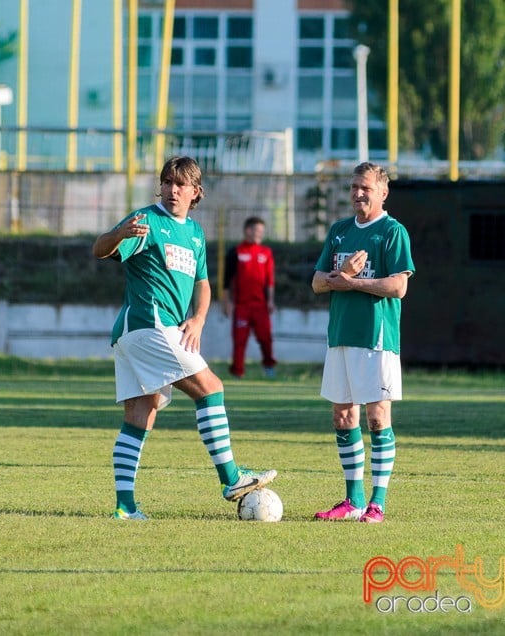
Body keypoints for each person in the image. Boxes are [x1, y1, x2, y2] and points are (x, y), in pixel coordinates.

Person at [91, 156, 276, 520]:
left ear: (196, 192)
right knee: (211, 388)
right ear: (159, 186)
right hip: (149, 324)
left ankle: (125, 507)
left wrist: (199, 319)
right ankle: (231, 478)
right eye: (167, 182)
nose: (172, 190)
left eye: (180, 185)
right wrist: (119, 234)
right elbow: (100, 249)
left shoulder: (194, 233)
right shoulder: (147, 221)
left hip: (142, 332)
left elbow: (203, 284)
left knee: (140, 414)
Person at [311, 161, 415, 524]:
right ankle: (352, 500)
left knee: (376, 417)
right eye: (354, 187)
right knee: (342, 416)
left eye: (365, 188)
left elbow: (398, 286)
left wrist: (352, 282)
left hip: (377, 337)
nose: (357, 194)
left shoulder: (391, 231)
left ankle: (377, 503)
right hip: (340, 335)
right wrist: (344, 276)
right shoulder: (340, 231)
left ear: (382, 193)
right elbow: (317, 282)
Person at [223, 216, 277, 379]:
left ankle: (269, 367)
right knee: (239, 341)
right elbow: (226, 281)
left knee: (265, 339)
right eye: (256, 230)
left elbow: (270, 281)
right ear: (248, 230)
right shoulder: (236, 252)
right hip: (242, 306)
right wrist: (227, 303)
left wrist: (271, 301)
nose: (259, 233)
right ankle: (237, 372)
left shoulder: (266, 253)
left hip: (260, 306)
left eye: (261, 231)